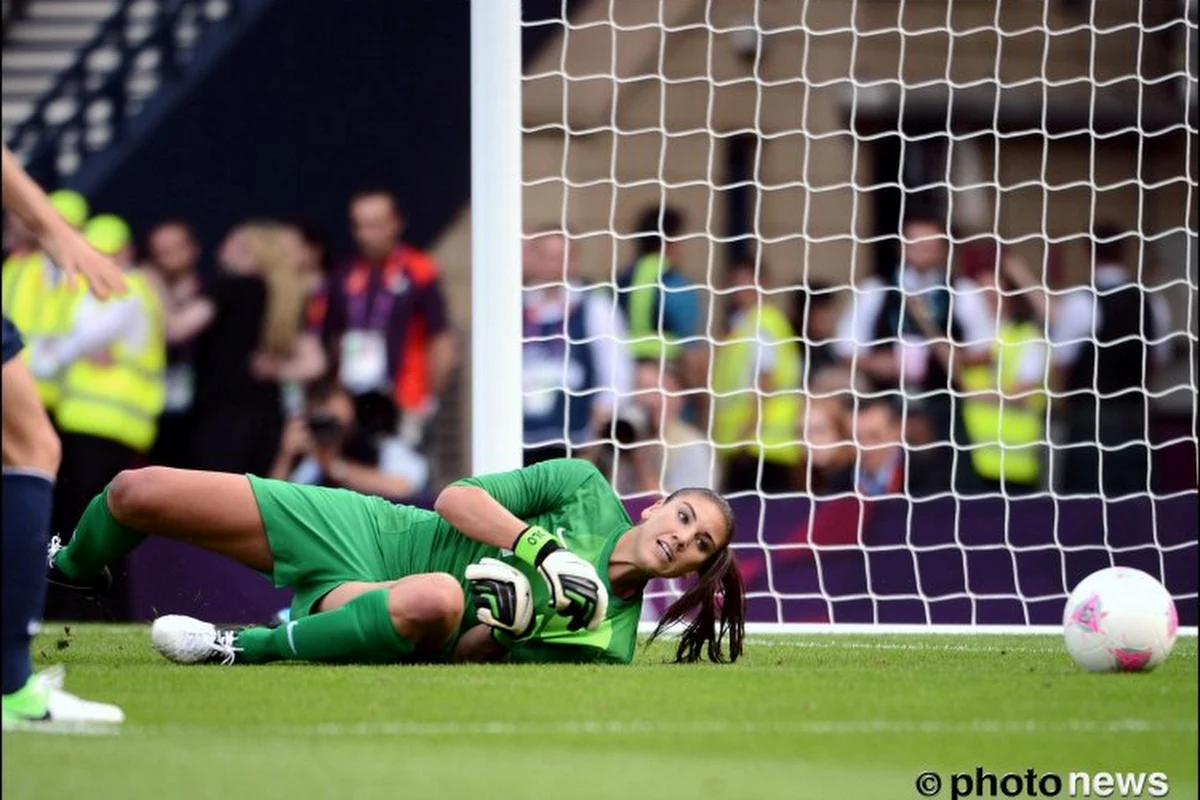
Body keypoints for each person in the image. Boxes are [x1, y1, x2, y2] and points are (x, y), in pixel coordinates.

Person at [48, 458, 744, 666]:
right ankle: (75, 567)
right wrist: (539, 546)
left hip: (405, 605)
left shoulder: (607, 642)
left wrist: (503, 628)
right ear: (656, 508)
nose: (684, 538)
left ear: (689, 572)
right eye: (684, 518)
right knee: (138, 491)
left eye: (701, 545)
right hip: (380, 529)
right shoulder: (586, 489)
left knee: (438, 597)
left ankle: (239, 646)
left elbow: (468, 658)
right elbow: (455, 498)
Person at [1, 143, 126, 727]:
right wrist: (57, 233)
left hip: (99, 420)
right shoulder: (26, 269)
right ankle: (11, 690)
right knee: (30, 449)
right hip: (79, 413)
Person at [37, 214, 166, 622]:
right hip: (99, 425)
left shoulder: (118, 288)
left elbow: (54, 356)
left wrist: (53, 351)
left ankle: (91, 611)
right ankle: (87, 609)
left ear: (126, 253)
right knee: (94, 524)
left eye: (109, 253)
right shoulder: (115, 288)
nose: (101, 261)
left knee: (90, 526)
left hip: (102, 427)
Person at [317, 189, 458, 447]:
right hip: (352, 402)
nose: (367, 235)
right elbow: (333, 339)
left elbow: (440, 341)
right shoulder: (343, 274)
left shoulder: (420, 270)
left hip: (405, 400)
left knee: (402, 482)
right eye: (360, 226)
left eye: (376, 225)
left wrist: (427, 400)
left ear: (396, 223)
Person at [1050, 222, 1173, 496]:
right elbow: (1157, 361)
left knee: (1086, 503)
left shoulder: (1080, 301)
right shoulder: (1153, 301)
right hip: (1135, 416)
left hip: (1089, 418)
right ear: (1125, 250)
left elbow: (1062, 364)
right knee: (1136, 502)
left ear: (1088, 252)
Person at [522, 228, 633, 465]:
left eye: (561, 257)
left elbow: (616, 372)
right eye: (546, 256)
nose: (553, 265)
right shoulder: (513, 305)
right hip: (519, 440)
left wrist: (598, 431)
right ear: (531, 258)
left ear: (574, 261)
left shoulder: (595, 305)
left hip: (575, 442)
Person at [711, 258, 803, 494]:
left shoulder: (764, 322)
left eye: (746, 282)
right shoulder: (742, 325)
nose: (740, 290)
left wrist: (746, 433)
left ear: (762, 283)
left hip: (759, 445)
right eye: (736, 283)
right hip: (746, 444)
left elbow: (766, 379)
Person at [269, 378, 428, 501]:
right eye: (321, 423)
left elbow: (403, 488)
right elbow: (270, 505)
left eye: (335, 423)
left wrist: (336, 467)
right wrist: (286, 455)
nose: (329, 431)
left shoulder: (372, 444)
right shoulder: (306, 455)